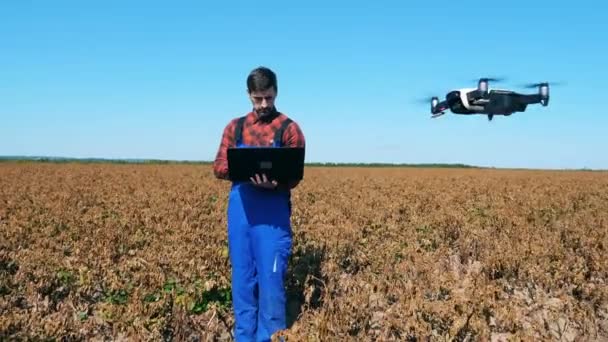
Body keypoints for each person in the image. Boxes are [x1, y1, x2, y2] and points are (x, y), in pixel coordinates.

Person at [212, 66, 306, 341]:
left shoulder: (290, 129)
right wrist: (243, 172)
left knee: (271, 282)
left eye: (268, 97)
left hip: (273, 213)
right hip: (241, 211)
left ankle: (271, 336)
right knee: (242, 280)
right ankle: (243, 337)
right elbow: (218, 165)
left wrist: (274, 183)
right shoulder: (236, 127)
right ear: (248, 95)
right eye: (257, 98)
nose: (264, 104)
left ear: (276, 92)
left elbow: (295, 174)